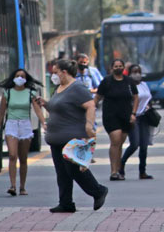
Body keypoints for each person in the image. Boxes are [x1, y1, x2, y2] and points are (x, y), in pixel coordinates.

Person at [43, 59, 108, 213]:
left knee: (73, 169)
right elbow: (58, 108)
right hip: (56, 138)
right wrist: (45, 103)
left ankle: (98, 191)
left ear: (64, 72)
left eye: (55, 72)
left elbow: (90, 105)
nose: (54, 75)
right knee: (62, 172)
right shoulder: (59, 88)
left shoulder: (77, 88)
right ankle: (66, 202)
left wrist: (89, 125)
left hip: (72, 137)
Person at [0, 69, 47, 196]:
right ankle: (12, 186)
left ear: (26, 79)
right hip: (11, 124)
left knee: (23, 158)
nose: (20, 78)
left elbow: (38, 110)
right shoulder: (8, 93)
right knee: (12, 155)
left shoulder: (30, 93)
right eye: (17, 76)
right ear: (13, 78)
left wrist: (44, 123)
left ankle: (22, 187)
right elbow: (1, 112)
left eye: (22, 76)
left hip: (25, 125)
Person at [95, 59, 139, 181]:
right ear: (112, 68)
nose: (118, 68)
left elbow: (136, 98)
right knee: (115, 140)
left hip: (126, 116)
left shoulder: (129, 82)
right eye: (116, 66)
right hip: (110, 116)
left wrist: (133, 113)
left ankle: (119, 170)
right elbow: (97, 97)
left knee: (120, 143)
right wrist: (90, 110)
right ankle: (113, 171)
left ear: (123, 68)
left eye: (120, 66)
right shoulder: (106, 81)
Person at [120, 64, 154, 179]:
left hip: (144, 117)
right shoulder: (128, 86)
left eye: (139, 72)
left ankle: (142, 171)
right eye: (134, 72)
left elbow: (148, 98)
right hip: (133, 118)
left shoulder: (144, 85)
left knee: (144, 145)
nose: (137, 74)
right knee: (134, 144)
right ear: (129, 73)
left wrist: (149, 106)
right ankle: (121, 165)